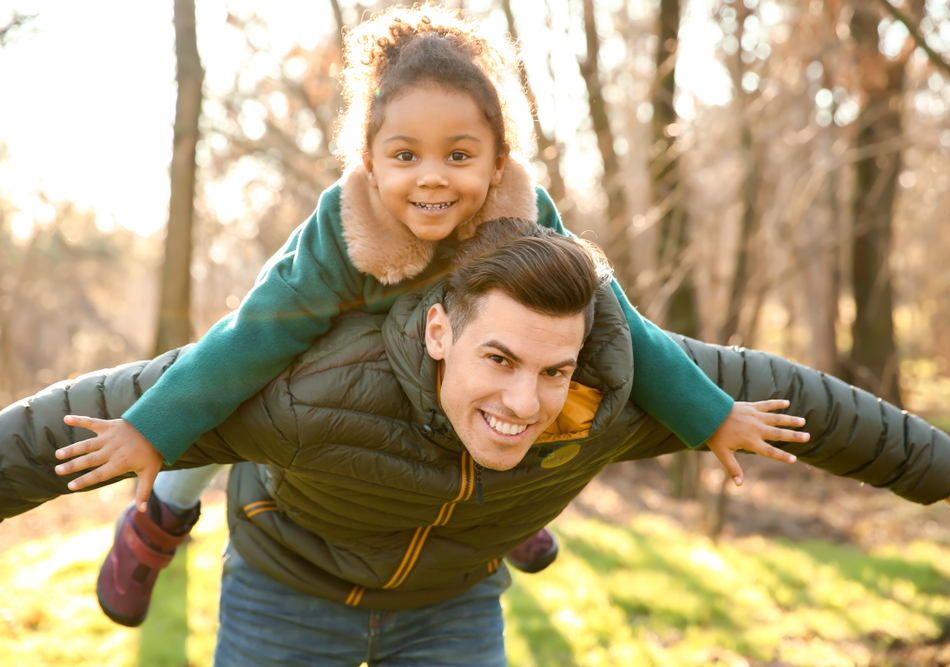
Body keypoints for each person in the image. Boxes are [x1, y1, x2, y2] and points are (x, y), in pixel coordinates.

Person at [52, 6, 796, 627]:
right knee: (247, 389)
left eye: (459, 154)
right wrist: (149, 428)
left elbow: (620, 326)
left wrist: (712, 415)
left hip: (453, 390)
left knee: (524, 366)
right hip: (319, 372)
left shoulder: (527, 215)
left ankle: (508, 507)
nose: (432, 176)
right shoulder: (339, 236)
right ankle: (159, 522)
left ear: (499, 160)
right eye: (405, 154)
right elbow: (246, 343)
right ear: (369, 162)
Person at [3, 220, 950, 667]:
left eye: (553, 369)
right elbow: (73, 419)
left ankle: (508, 517)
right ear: (438, 331)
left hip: (449, 606)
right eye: (498, 360)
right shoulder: (315, 382)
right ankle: (160, 522)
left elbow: (781, 394)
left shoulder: (611, 389)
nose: (528, 400)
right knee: (193, 423)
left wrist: (942, 468)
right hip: (288, 589)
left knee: (518, 451)